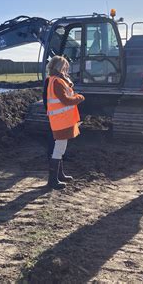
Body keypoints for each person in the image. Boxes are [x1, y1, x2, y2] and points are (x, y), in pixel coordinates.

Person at [45, 55, 85, 190]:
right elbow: (66, 100)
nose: (67, 69)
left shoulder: (55, 80)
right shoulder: (57, 82)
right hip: (61, 120)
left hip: (62, 119)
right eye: (65, 67)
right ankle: (53, 180)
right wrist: (79, 97)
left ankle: (59, 174)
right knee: (59, 148)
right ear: (60, 67)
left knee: (60, 147)